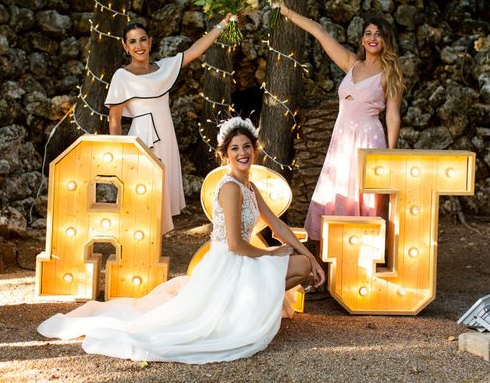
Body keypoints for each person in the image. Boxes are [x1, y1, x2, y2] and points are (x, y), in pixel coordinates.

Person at [37, 116, 325, 364]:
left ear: (255, 150)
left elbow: (277, 225)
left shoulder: (249, 186)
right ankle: (237, 313)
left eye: (246, 147)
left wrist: (310, 256)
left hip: (242, 260)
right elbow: (236, 245)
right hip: (230, 261)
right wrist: (273, 254)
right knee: (295, 266)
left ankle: (242, 307)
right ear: (224, 155)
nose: (242, 153)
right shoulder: (231, 189)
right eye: (235, 148)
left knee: (303, 264)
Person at [279, 3, 404, 242]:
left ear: (386, 40)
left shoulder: (390, 73)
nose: (373, 38)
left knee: (364, 195)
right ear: (361, 40)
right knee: (338, 190)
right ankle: (335, 251)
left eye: (378, 34)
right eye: (368, 33)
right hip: (342, 140)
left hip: (368, 140)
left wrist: (390, 154)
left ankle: (365, 248)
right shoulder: (351, 63)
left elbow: (392, 115)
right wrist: (287, 12)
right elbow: (320, 33)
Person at [105, 16, 232, 234]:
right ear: (125, 46)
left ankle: (152, 247)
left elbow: (194, 51)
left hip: (166, 136)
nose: (139, 46)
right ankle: (135, 243)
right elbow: (114, 119)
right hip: (142, 140)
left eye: (142, 39)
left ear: (150, 42)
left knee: (160, 191)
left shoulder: (163, 68)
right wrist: (119, 153)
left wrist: (223, 24)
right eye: (133, 41)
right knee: (141, 191)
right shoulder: (122, 76)